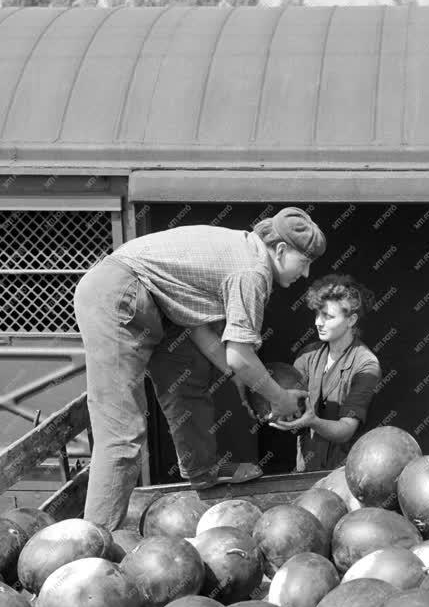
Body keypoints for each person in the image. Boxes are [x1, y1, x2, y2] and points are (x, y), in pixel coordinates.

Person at [74, 207, 326, 530]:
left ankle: (203, 469)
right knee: (122, 431)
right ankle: (93, 541)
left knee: (188, 376)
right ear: (280, 250)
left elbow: (202, 332)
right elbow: (239, 355)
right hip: (120, 293)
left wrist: (242, 380)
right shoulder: (253, 271)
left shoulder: (244, 251)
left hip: (154, 302)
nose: (305, 275)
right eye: (304, 263)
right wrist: (278, 397)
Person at [271, 274, 382, 471]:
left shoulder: (366, 365)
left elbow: (347, 429)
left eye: (328, 316)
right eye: (317, 314)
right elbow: (294, 405)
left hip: (347, 473)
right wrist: (274, 406)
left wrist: (312, 421)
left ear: (351, 320)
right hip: (305, 469)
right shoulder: (307, 355)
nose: (318, 323)